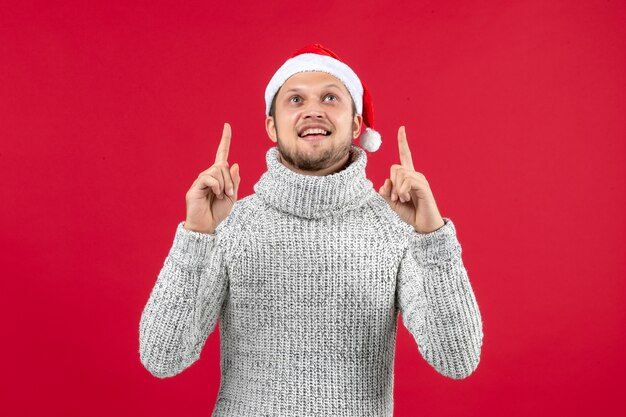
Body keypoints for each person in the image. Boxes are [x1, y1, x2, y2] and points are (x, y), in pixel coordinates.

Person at [139, 43, 484, 416]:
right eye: (295, 100)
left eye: (331, 97)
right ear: (272, 126)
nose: (313, 110)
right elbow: (161, 356)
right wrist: (196, 235)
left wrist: (432, 237)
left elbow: (458, 358)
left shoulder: (396, 228)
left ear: (356, 124)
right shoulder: (229, 226)